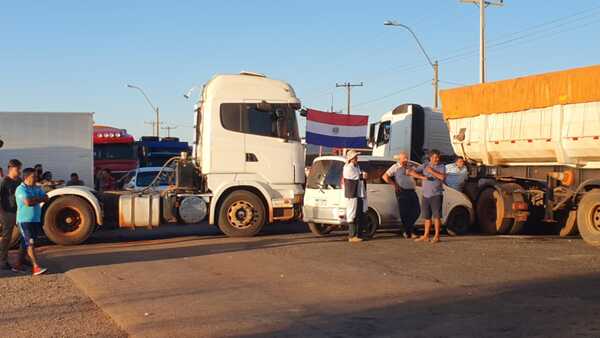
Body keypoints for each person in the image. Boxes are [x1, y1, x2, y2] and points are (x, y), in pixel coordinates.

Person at [14, 167, 48, 275]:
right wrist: (39, 199)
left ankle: (18, 265)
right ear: (26, 177)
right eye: (34, 176)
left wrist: (37, 199)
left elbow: (46, 197)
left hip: (35, 220)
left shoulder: (36, 188)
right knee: (30, 243)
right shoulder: (21, 189)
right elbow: (28, 202)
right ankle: (36, 267)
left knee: (26, 243)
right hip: (24, 221)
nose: (36, 178)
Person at [382, 151, 421, 239]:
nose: (406, 160)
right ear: (399, 159)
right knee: (405, 212)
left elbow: (416, 174)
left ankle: (405, 229)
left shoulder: (410, 166)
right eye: (404, 158)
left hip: (412, 191)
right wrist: (395, 184)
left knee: (416, 211)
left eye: (407, 158)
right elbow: (385, 177)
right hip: (402, 191)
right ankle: (409, 232)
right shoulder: (395, 167)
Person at [412, 149, 446, 244]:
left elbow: (442, 177)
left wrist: (431, 171)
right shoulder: (425, 165)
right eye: (435, 157)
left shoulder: (441, 166)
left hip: (436, 195)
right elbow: (411, 172)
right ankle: (426, 235)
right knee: (427, 217)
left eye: (438, 157)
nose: (437, 159)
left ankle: (437, 236)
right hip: (425, 195)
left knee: (436, 217)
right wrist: (422, 177)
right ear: (430, 158)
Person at [0, 159, 22, 271]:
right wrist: (2, 213)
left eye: (20, 169)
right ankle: (3, 261)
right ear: (10, 169)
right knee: (6, 238)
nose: (19, 171)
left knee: (24, 237)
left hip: (20, 213)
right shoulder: (5, 181)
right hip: (8, 213)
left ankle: (22, 259)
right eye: (17, 169)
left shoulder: (19, 181)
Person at [343, 150, 367, 243]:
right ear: (351, 158)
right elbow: (359, 176)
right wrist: (363, 175)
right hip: (352, 194)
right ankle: (352, 235)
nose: (357, 158)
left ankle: (358, 234)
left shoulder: (356, 166)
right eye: (355, 157)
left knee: (358, 214)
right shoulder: (348, 168)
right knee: (351, 213)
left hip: (358, 194)